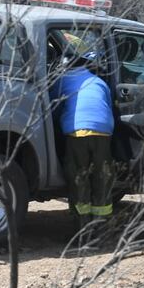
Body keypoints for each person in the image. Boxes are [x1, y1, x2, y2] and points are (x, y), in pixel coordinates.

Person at [51, 47, 116, 231]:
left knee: (79, 177)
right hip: (103, 132)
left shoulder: (64, 79)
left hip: (77, 132)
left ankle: (82, 226)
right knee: (101, 178)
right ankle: (101, 226)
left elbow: (51, 105)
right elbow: (108, 107)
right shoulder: (99, 81)